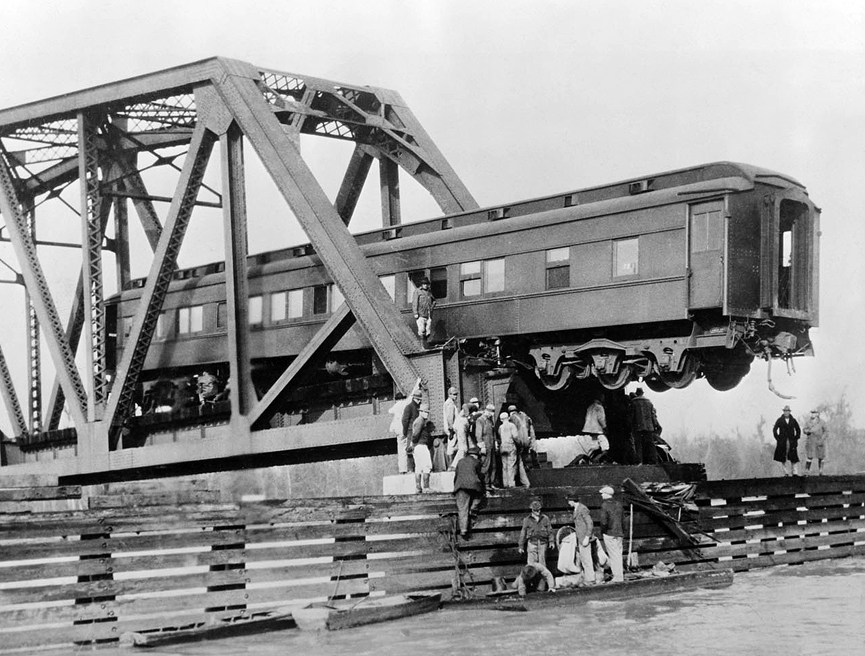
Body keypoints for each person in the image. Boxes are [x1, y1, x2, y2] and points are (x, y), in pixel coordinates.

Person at [453, 446, 485, 538]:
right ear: (476, 455)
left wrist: (455, 488)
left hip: (461, 487)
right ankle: (473, 510)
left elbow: (456, 476)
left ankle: (463, 530)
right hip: (474, 486)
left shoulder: (460, 461)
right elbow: (481, 476)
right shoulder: (477, 462)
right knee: (478, 498)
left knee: (462, 508)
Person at [566, 493, 596, 585]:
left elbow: (589, 523)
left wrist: (587, 537)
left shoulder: (582, 509)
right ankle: (588, 578)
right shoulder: (576, 509)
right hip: (580, 538)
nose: (568, 503)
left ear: (571, 500)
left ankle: (590, 579)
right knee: (584, 558)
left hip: (584, 538)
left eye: (568, 501)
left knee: (587, 559)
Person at [518, 498, 555, 569]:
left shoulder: (545, 518)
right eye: (536, 510)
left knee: (542, 564)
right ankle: (532, 579)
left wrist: (551, 541)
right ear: (532, 510)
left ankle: (542, 579)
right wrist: (521, 546)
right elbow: (523, 533)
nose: (538, 512)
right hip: (532, 543)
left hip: (543, 543)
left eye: (539, 509)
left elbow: (550, 530)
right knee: (531, 564)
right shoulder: (527, 520)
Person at [598, 485, 625, 582]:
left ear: (606, 495)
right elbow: (623, 520)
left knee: (613, 555)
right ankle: (620, 575)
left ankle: (617, 577)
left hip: (609, 533)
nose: (601, 496)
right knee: (618, 554)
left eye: (602, 494)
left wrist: (603, 531)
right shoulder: (619, 504)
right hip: (619, 532)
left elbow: (603, 521)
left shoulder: (605, 505)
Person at [629, 388, 660, 464]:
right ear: (642, 393)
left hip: (638, 427)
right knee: (650, 444)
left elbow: (631, 416)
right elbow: (653, 415)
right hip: (649, 427)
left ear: (637, 393)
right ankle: (653, 460)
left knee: (638, 444)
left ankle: (639, 461)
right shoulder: (649, 402)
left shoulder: (634, 402)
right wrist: (655, 425)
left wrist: (630, 425)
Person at [498, 412, 528, 488]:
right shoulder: (511, 425)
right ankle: (511, 484)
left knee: (504, 466)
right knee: (511, 465)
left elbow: (500, 437)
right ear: (508, 418)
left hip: (503, 447)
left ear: (501, 419)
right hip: (511, 446)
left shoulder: (500, 427)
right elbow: (515, 437)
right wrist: (520, 444)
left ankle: (505, 483)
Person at [410, 403, 434, 492]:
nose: (427, 414)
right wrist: (413, 442)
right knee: (427, 466)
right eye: (425, 412)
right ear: (421, 412)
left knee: (418, 467)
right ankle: (426, 488)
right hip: (421, 446)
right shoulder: (420, 421)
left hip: (417, 446)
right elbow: (415, 434)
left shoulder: (418, 420)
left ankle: (418, 487)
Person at [772, 404, 802, 476]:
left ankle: (795, 472)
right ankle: (786, 472)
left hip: (791, 441)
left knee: (793, 457)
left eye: (787, 411)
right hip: (782, 442)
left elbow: (798, 430)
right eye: (785, 411)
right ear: (783, 412)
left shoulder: (793, 420)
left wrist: (796, 438)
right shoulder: (780, 420)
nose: (786, 412)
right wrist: (778, 438)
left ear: (789, 412)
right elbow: (774, 430)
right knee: (783, 457)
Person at [509, 404, 539, 472]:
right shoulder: (524, 415)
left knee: (519, 455)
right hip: (527, 438)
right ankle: (534, 466)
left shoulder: (512, 418)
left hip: (520, 439)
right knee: (528, 453)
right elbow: (530, 425)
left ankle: (523, 467)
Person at [475, 404, 498, 488]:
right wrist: (482, 446)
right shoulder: (480, 420)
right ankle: (486, 484)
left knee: (493, 465)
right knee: (485, 465)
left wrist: (495, 443)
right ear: (487, 411)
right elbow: (478, 435)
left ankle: (492, 483)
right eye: (491, 412)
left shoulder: (490, 420)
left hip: (491, 445)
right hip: (486, 445)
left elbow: (493, 432)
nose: (492, 415)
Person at [401, 387, 423, 473]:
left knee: (414, 449)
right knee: (410, 450)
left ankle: (413, 469)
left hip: (414, 431)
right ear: (414, 398)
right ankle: (410, 469)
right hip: (410, 431)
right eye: (418, 399)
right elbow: (404, 420)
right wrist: (405, 432)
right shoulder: (409, 407)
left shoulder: (416, 407)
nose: (419, 401)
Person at [388, 392, 411, 473]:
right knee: (408, 448)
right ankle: (411, 468)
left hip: (397, 431)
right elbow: (410, 397)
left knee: (400, 450)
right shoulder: (404, 403)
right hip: (404, 430)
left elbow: (390, 411)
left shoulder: (394, 407)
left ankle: (402, 469)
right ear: (401, 398)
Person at [803, 409, 829, 476]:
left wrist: (822, 439)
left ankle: (821, 470)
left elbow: (826, 431)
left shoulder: (822, 422)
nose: (812, 414)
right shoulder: (808, 422)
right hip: (811, 441)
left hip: (819, 441)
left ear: (817, 414)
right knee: (809, 456)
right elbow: (804, 429)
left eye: (814, 413)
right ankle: (807, 471)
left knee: (821, 456)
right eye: (812, 413)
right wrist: (807, 431)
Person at [412, 277, 436, 342]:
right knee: (422, 330)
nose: (426, 285)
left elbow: (434, 301)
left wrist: (431, 308)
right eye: (424, 284)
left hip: (428, 315)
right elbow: (415, 302)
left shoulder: (429, 292)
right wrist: (415, 313)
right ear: (421, 285)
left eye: (427, 284)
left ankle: (426, 342)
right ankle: (423, 344)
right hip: (420, 314)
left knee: (428, 331)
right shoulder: (417, 291)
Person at [449, 404, 472, 470]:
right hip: (461, 426)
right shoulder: (471, 406)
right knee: (463, 448)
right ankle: (455, 465)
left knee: (462, 447)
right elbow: (465, 406)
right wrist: (468, 416)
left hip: (458, 426)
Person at [442, 387, 459, 466]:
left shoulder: (449, 402)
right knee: (451, 446)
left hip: (451, 429)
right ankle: (451, 465)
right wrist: (451, 429)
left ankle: (451, 464)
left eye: (456, 394)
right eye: (454, 394)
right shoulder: (450, 403)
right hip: (452, 429)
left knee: (451, 446)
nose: (456, 396)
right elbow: (450, 417)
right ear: (449, 395)